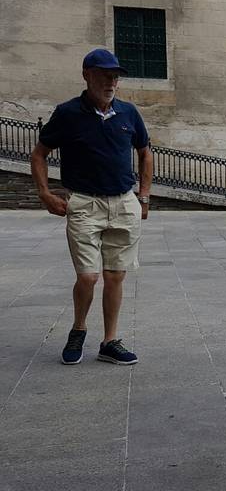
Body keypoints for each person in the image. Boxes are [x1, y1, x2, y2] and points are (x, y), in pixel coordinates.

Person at [30, 48, 152, 366]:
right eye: (104, 75)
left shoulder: (128, 113)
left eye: (115, 76)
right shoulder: (68, 113)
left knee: (115, 275)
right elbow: (39, 153)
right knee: (88, 276)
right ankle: (79, 328)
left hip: (124, 201)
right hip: (84, 202)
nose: (111, 82)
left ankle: (110, 341)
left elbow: (145, 152)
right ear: (87, 75)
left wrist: (144, 196)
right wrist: (44, 194)